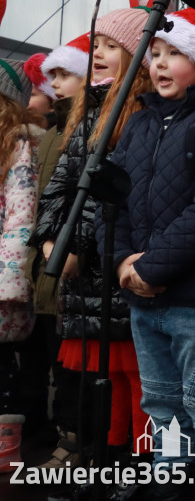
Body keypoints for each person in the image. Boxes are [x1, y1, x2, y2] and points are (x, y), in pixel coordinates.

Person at [102, 8, 195, 501]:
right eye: (157, 54)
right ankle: (171, 487)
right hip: (145, 300)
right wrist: (123, 263)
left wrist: (150, 267)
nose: (160, 64)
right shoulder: (142, 123)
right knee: (163, 406)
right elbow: (116, 199)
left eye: (176, 54)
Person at [33, 8, 152, 466]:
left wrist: (77, 247)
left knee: (134, 382)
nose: (98, 53)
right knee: (103, 383)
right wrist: (50, 241)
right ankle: (107, 457)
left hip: (114, 270)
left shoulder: (136, 114)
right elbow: (60, 187)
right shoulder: (89, 111)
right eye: (96, 45)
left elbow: (115, 194)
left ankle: (139, 464)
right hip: (81, 278)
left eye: (109, 45)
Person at [16, 33, 88, 456]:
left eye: (64, 74)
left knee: (68, 371)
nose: (53, 83)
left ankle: (72, 445)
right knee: (36, 364)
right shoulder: (52, 132)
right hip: (40, 270)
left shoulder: (74, 133)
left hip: (66, 272)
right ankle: (38, 443)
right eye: (53, 74)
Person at [0, 59, 42, 472]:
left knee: (2, 371)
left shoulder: (16, 148)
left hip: (0, 281)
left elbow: (21, 216)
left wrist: (10, 279)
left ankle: (6, 446)